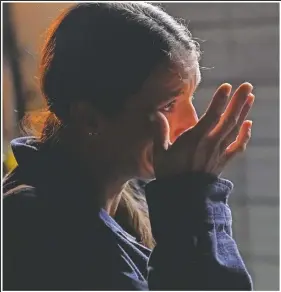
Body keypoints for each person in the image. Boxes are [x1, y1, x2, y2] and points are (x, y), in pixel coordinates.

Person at [3, 3, 255, 290]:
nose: (191, 123)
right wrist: (192, 197)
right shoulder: (35, 227)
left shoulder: (130, 199)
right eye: (169, 105)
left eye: (191, 96)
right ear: (90, 118)